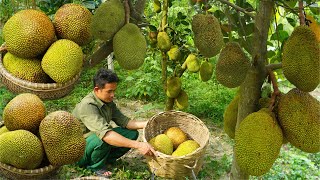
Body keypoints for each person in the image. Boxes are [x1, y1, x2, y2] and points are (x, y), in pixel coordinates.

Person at [72, 68, 156, 176]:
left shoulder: (107, 101)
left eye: (114, 91)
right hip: (80, 152)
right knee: (103, 139)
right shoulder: (88, 106)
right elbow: (106, 135)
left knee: (132, 133)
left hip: (96, 139)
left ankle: (106, 160)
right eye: (109, 91)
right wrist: (138, 145)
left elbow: (125, 122)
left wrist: (150, 123)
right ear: (97, 89)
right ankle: (94, 166)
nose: (113, 95)